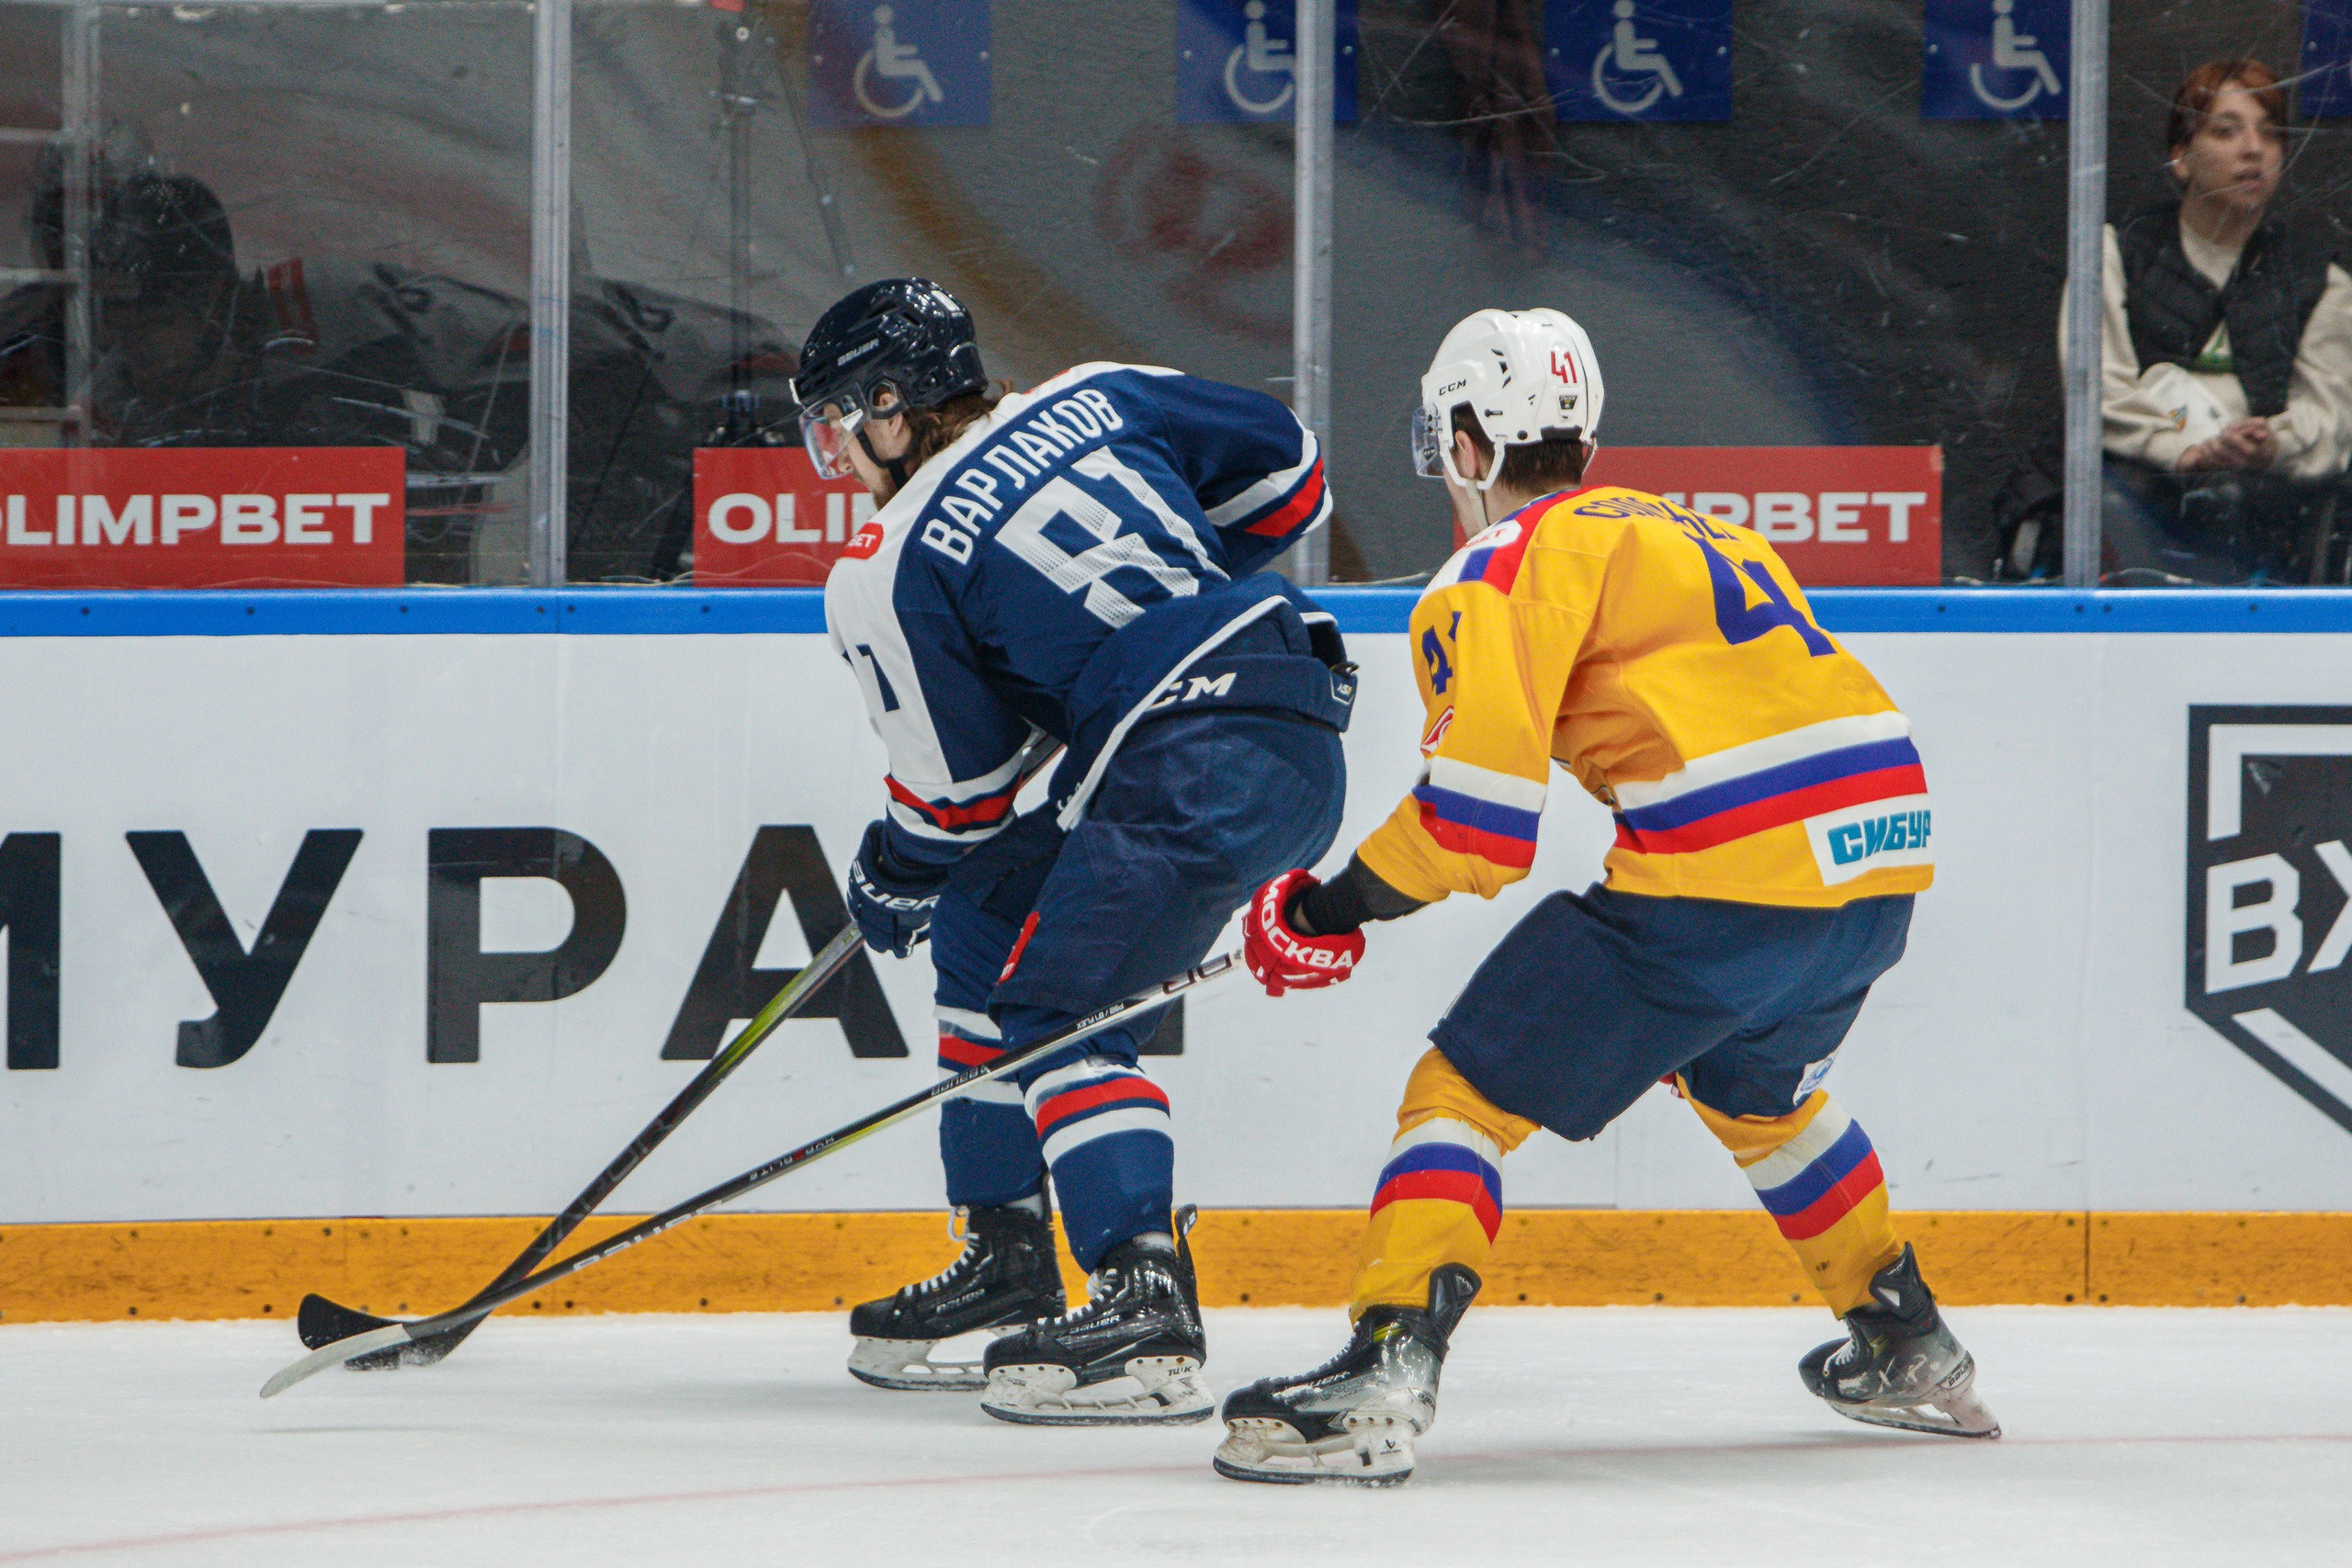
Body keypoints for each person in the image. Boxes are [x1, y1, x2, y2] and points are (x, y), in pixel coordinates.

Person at [1211, 306, 1997, 1486]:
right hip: (1878, 872)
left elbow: (1474, 831)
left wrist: (1324, 909)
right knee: (1756, 1089)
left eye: (1445, 450)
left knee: (1461, 1090)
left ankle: (1386, 1360)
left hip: (1733, 882)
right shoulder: (1702, 533)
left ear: (1469, 447)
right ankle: (1907, 1340)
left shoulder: (1501, 568)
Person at [807, 277, 1352, 1425]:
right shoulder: (1099, 393)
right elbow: (1296, 472)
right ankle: (1007, 1251)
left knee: (1059, 1010)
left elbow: (957, 800)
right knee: (988, 919)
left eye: (840, 426)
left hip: (1182, 752)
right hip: (1294, 716)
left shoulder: (885, 562)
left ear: (893, 407)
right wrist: (1164, 607)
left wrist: (890, 867)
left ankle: (1142, 1298)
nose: (839, 460)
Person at [2086, 59, 2352, 584]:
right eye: (2226, 131)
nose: (2253, 149)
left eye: (2271, 134)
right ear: (2181, 158)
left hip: (2274, 511)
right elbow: (2096, 393)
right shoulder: (2111, 257)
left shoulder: (2325, 281)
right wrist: (2183, 452)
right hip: (2142, 496)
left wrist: (2269, 444)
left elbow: (2332, 419)